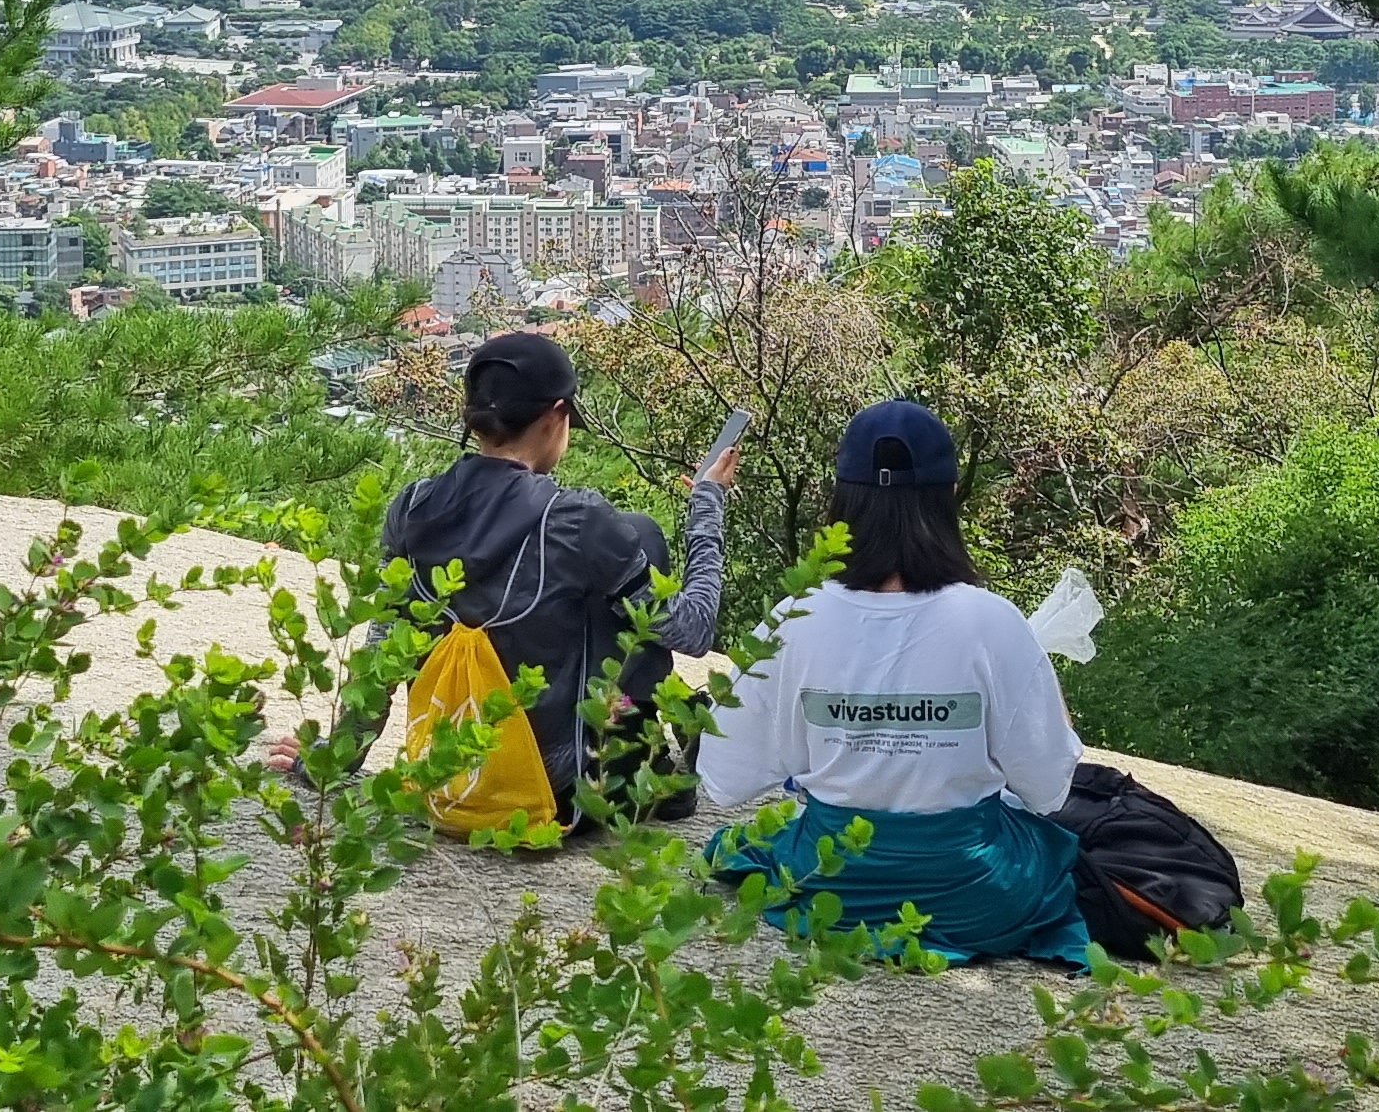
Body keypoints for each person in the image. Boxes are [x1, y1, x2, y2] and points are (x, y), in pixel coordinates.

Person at [279, 330, 730, 827]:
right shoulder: (578, 519)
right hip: (557, 795)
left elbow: (385, 646)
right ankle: (653, 770)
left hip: (448, 777)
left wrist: (330, 760)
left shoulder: (412, 506)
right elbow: (692, 631)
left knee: (615, 550)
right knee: (639, 536)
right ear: (556, 415)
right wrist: (708, 504)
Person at [698, 397, 1089, 964]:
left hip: (829, 887)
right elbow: (1049, 788)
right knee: (1051, 850)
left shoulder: (792, 619)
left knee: (748, 846)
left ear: (841, 499)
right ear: (949, 496)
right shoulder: (993, 622)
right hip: (972, 895)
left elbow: (724, 774)